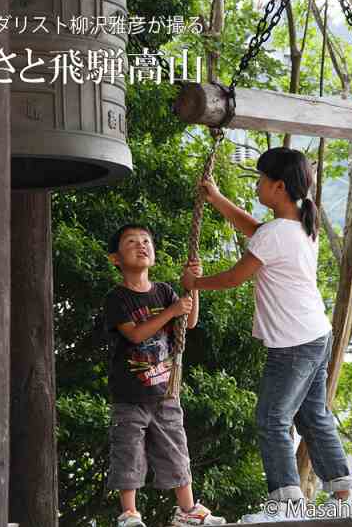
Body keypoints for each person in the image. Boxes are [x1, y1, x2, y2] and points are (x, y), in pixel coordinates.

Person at [181, 148, 352, 522]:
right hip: (315, 335)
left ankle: (287, 505)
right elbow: (255, 231)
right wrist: (217, 199)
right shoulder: (301, 226)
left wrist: (195, 282)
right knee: (313, 415)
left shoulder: (277, 233)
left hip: (292, 343)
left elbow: (233, 277)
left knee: (272, 419)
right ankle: (343, 492)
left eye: (260, 180)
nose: (257, 185)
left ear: (277, 187)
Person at [103, 223, 226, 527]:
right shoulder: (117, 299)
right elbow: (135, 335)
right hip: (130, 395)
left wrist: (193, 286)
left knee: (176, 449)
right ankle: (129, 514)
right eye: (131, 242)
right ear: (115, 258)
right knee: (128, 451)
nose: (141, 245)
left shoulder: (165, 292)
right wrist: (171, 312)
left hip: (165, 392)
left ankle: (187, 509)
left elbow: (190, 321)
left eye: (146, 241)